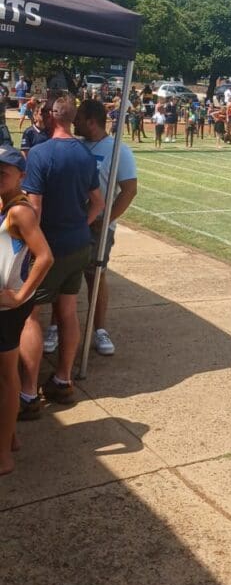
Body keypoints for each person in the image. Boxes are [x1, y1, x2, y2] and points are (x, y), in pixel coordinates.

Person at [18, 97, 105, 416]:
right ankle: (63, 380)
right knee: (68, 311)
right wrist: (81, 224)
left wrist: (28, 245)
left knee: (30, 316)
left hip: (49, 246)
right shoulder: (85, 153)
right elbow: (98, 202)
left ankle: (28, 394)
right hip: (78, 244)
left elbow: (35, 208)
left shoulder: (40, 153)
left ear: (52, 117)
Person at [58, 99, 137, 357]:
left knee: (96, 276)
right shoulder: (76, 145)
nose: (74, 122)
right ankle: (54, 328)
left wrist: (106, 220)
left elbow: (129, 190)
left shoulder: (118, 150)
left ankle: (100, 330)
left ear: (92, 121)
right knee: (62, 275)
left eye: (79, 118)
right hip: (71, 223)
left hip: (98, 227)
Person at [0, 147, 53, 473]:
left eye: (3, 172)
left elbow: (45, 257)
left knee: (7, 377)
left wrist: (20, 295)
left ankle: (3, 455)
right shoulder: (5, 204)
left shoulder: (21, 211)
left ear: (21, 176)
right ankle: (12, 437)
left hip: (7, 308)